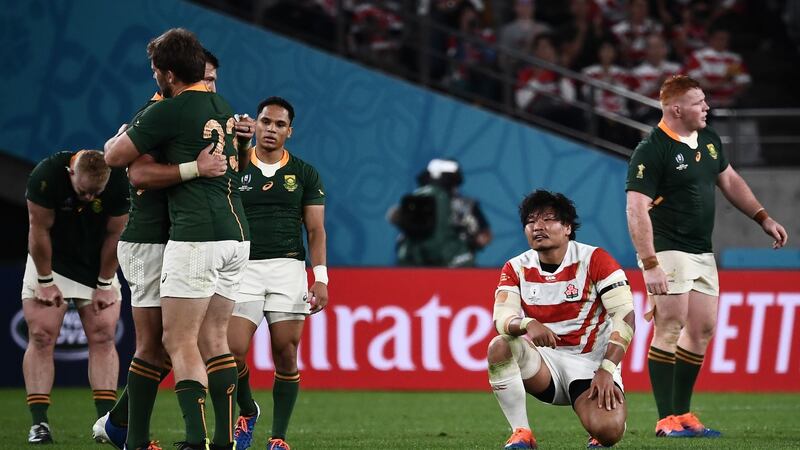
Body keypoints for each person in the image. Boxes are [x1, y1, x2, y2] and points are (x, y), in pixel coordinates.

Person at [93, 49, 254, 450]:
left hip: (188, 238)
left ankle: (125, 427)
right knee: (160, 345)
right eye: (205, 78)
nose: (208, 87)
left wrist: (241, 147)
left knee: (189, 343)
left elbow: (231, 174)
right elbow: (134, 170)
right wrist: (194, 168)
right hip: (150, 240)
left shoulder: (205, 113)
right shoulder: (158, 111)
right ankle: (133, 436)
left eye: (213, 80)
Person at [625, 74, 788, 438]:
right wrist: (649, 263)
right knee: (670, 326)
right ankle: (665, 419)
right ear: (676, 109)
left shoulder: (709, 139)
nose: (707, 107)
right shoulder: (651, 150)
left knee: (702, 330)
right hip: (668, 248)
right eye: (699, 102)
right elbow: (635, 209)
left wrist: (762, 217)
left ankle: (683, 414)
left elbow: (730, 180)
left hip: (702, 249)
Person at [488, 190, 635, 449]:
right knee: (500, 346)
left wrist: (607, 369)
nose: (538, 226)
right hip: (545, 365)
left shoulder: (595, 259)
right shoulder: (515, 267)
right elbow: (501, 318)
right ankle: (521, 433)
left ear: (567, 227)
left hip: (591, 364)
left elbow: (625, 317)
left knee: (608, 433)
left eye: (548, 219)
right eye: (531, 221)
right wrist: (528, 324)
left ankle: (604, 423)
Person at [228, 97, 328, 450]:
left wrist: (321, 277)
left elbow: (315, 230)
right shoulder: (235, 165)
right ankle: (247, 409)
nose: (271, 129)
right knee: (232, 352)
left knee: (285, 352)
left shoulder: (304, 173)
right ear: (255, 124)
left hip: (287, 268)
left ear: (290, 131)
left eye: (279, 124)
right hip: (243, 267)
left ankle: (278, 438)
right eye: (266, 122)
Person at [23, 149, 129, 444]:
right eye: (83, 192)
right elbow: (38, 229)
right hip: (51, 261)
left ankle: (106, 424)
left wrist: (105, 282)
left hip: (96, 261)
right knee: (41, 335)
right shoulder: (46, 175)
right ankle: (39, 423)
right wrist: (45, 280)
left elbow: (116, 234)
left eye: (95, 193)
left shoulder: (119, 181)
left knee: (104, 334)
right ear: (71, 174)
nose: (89, 198)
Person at [390, 158, 491, 267]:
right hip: (448, 265)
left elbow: (484, 235)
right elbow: (484, 237)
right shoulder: (463, 204)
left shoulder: (464, 205)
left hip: (422, 265)